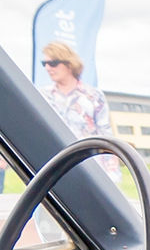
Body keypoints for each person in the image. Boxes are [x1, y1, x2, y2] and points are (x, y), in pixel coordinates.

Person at [40, 41, 118, 178]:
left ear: (69, 64)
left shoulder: (94, 95)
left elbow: (105, 132)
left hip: (90, 165)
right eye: (44, 64)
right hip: (54, 166)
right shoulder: (42, 96)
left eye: (53, 63)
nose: (47, 68)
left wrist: (112, 168)